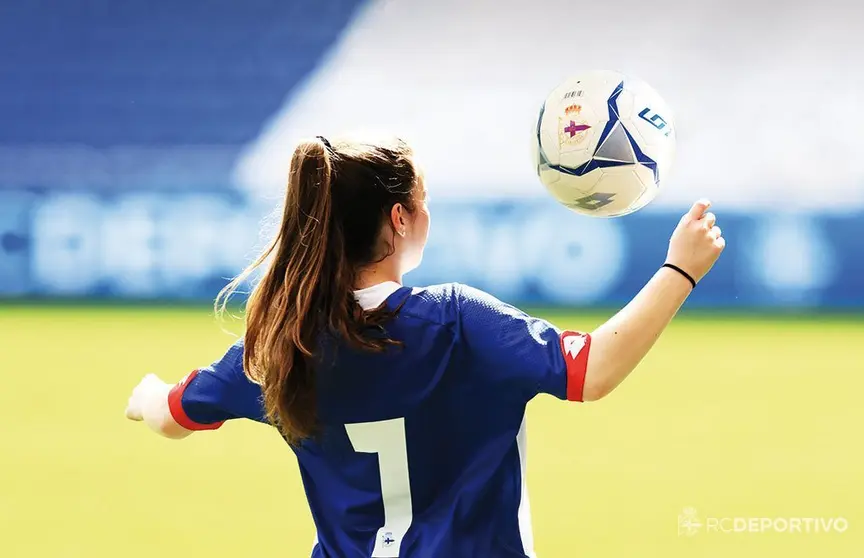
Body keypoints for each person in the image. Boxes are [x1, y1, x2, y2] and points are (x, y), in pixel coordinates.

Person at [125, 135, 724, 558]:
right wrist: (680, 270)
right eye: (423, 201)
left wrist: (146, 394)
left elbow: (170, 415)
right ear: (399, 219)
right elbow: (590, 370)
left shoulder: (285, 345)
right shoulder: (456, 321)